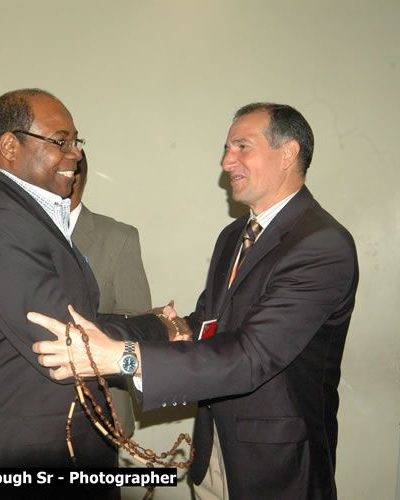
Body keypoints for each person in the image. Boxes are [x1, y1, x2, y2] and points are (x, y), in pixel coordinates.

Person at [31, 103, 359, 499]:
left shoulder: (321, 245)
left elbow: (250, 356)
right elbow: (200, 323)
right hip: (214, 456)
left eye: (241, 147)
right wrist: (98, 331)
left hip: (276, 470)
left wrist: (123, 357)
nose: (226, 161)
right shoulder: (234, 236)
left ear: (288, 153)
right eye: (226, 148)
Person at [0, 89, 170, 478]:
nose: (76, 153)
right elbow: (64, 341)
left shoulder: (28, 217)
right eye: (60, 141)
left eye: (75, 141)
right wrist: (158, 327)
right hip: (26, 459)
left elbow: (71, 314)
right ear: (9, 146)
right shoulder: (0, 223)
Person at [69, 149, 152, 437]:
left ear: (74, 175)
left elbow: (138, 326)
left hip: (99, 411)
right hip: (29, 413)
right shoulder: (19, 236)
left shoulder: (118, 238)